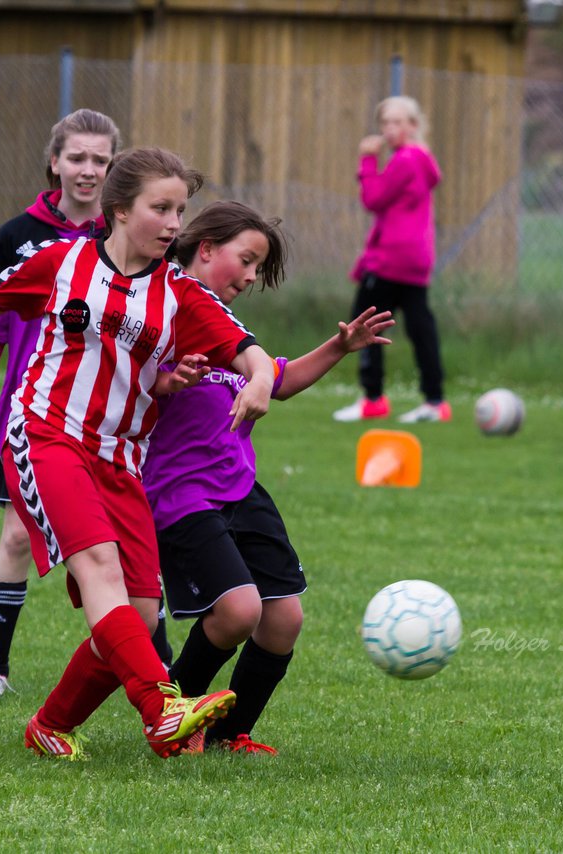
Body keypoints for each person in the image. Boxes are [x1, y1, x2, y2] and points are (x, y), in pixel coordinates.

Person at [0, 147, 280, 760]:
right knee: (99, 573)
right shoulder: (59, 263)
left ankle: (50, 724)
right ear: (118, 211)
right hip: (45, 434)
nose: (174, 223)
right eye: (160, 208)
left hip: (122, 458)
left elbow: (249, 352)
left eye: (180, 210)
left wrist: (259, 383)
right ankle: (162, 707)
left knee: (139, 615)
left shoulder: (180, 294)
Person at [143, 201, 394, 755]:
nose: (253, 276)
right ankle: (171, 717)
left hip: (240, 489)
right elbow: (130, 379)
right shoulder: (166, 307)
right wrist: (167, 380)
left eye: (259, 266)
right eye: (247, 260)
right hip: (183, 494)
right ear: (206, 248)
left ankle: (232, 733)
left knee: (283, 618)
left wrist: (338, 346)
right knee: (237, 611)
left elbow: (275, 379)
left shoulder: (224, 326)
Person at [0, 108, 123, 701]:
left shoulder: (121, 237)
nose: (88, 170)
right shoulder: (17, 235)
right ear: (54, 162)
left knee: (114, 546)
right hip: (26, 415)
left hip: (106, 420)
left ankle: (138, 665)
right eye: (77, 157)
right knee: (18, 537)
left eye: (101, 160)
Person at [332, 95, 448, 425]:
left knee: (362, 325)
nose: (390, 129)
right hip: (417, 256)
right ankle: (435, 400)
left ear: (413, 125)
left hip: (391, 257)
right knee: (420, 325)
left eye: (397, 122)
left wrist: (367, 160)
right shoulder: (422, 159)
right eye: (385, 123)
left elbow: (374, 198)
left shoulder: (405, 160)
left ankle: (372, 399)